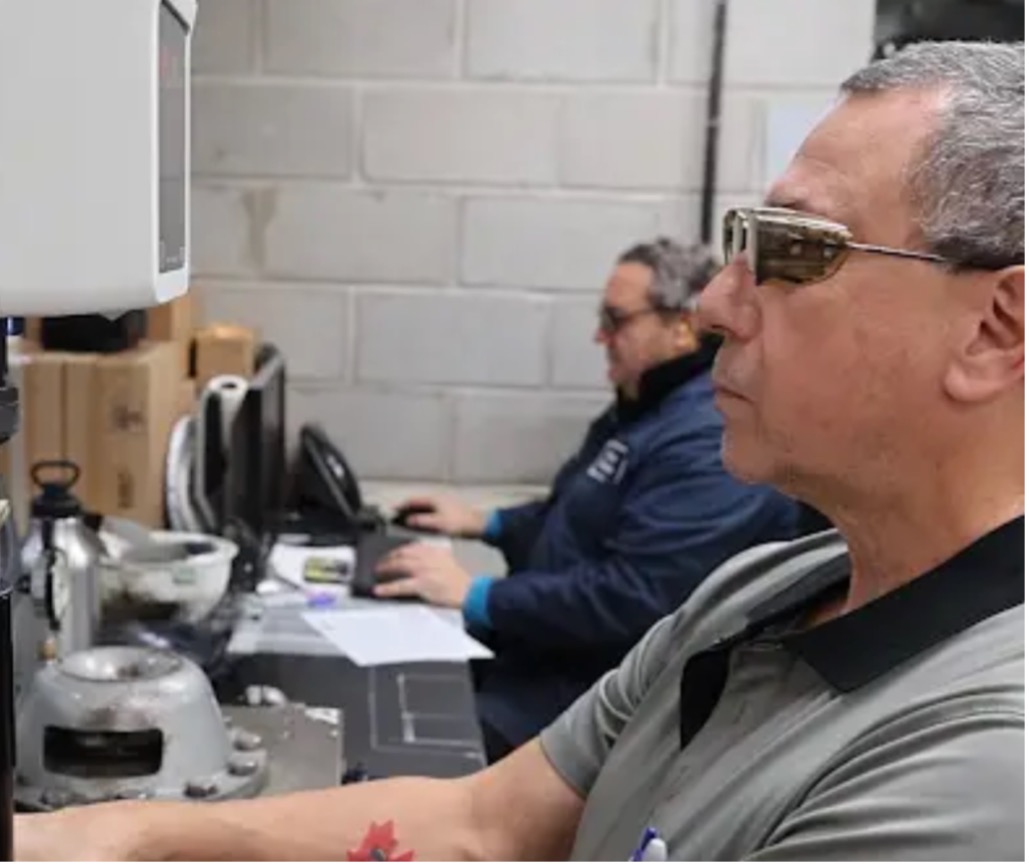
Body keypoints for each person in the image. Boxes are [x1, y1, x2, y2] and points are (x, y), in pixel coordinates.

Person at [16, 39, 1024, 861]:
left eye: (796, 251)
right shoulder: (762, 596)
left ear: (994, 329)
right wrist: (122, 831)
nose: (718, 304)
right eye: (739, 243)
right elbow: (482, 826)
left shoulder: (979, 772)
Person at [375, 238, 800, 760]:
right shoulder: (644, 407)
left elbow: (635, 596)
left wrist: (477, 594)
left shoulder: (706, 438)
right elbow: (578, 513)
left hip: (593, 702)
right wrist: (484, 523)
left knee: (401, 760)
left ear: (682, 326)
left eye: (616, 319)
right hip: (541, 662)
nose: (600, 335)